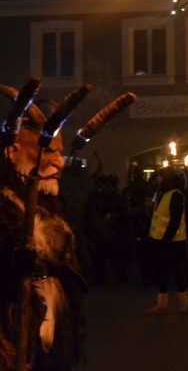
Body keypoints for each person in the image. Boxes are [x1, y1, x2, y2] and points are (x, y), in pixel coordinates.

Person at [0, 91, 87, 370]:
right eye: (49, 151)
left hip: (52, 338)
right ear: (12, 152)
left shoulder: (52, 210)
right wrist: (13, 266)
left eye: (60, 152)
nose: (59, 162)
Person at [145, 166, 188, 314]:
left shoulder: (175, 194)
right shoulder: (162, 193)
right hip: (158, 239)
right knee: (161, 271)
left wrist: (166, 240)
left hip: (173, 242)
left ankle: (184, 302)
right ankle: (162, 304)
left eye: (160, 176)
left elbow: (175, 220)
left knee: (176, 271)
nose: (157, 179)